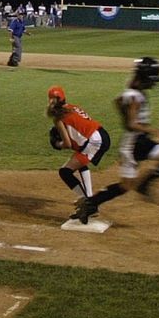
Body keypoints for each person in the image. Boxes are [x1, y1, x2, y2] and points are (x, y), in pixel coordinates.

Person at [73, 57, 159, 225]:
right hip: (134, 144)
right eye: (152, 79)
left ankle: (95, 201)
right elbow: (132, 124)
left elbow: (118, 100)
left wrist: (126, 114)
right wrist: (153, 130)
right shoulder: (134, 96)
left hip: (138, 142)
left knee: (129, 184)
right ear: (145, 78)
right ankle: (94, 202)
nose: (154, 83)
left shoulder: (132, 91)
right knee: (130, 183)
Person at [47, 85, 111, 222]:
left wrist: (57, 144)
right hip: (101, 135)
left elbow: (67, 144)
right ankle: (89, 200)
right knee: (80, 161)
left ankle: (89, 203)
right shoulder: (73, 107)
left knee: (65, 172)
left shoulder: (58, 118)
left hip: (94, 141)